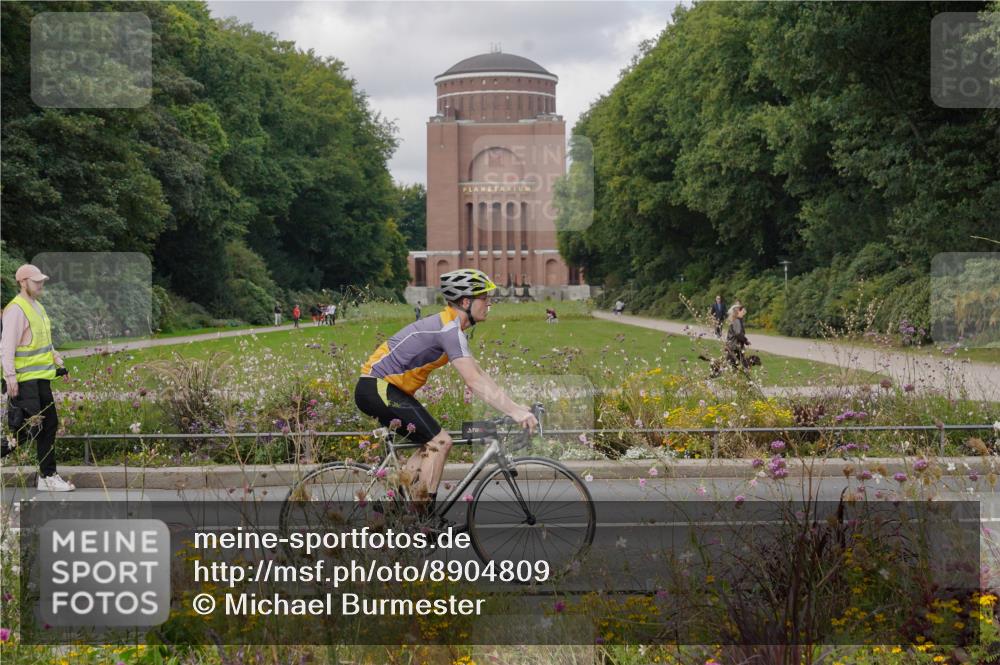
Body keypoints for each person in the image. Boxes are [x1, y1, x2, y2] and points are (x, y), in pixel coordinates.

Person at [355, 269, 538, 511]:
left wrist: (515, 407)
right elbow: (474, 381)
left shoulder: (451, 327)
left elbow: (480, 374)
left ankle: (397, 506)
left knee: (430, 444)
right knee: (440, 442)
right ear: (466, 302)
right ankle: (423, 517)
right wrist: (515, 413)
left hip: (386, 389)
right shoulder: (448, 330)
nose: (489, 304)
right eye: (484, 298)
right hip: (377, 387)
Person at [1, 264, 75, 491]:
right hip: (25, 382)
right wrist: (10, 377)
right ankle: (48, 476)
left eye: (41, 280)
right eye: (36, 281)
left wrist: (56, 359)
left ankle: (47, 476)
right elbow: (6, 347)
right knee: (29, 430)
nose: (40, 284)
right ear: (23, 282)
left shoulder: (37, 307)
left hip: (40, 379)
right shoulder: (16, 309)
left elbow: (44, 341)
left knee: (33, 429)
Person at [725, 301, 751, 371]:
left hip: (734, 347)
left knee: (736, 367)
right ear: (738, 312)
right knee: (738, 367)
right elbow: (738, 334)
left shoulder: (737, 320)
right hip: (734, 348)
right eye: (743, 312)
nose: (743, 314)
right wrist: (745, 341)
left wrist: (745, 341)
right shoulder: (736, 321)